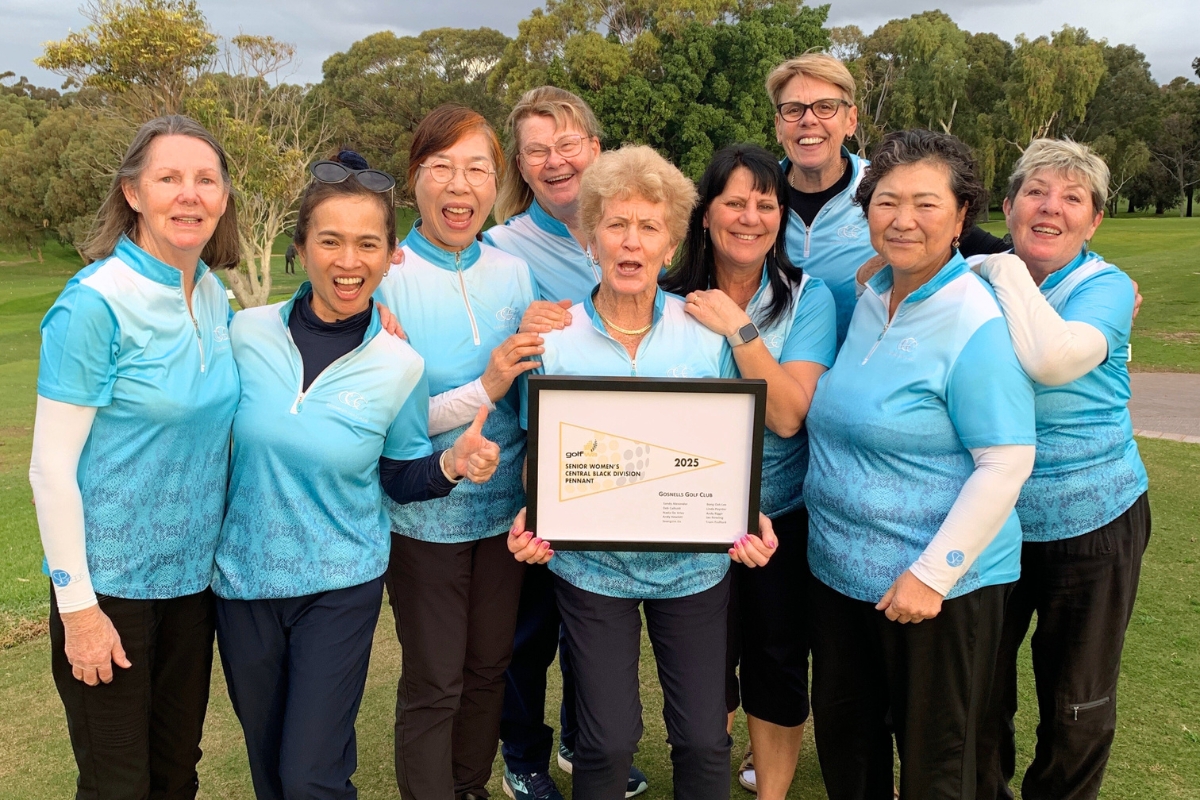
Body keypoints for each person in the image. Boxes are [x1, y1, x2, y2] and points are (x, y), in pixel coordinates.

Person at [211, 151, 501, 799]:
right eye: (331, 242)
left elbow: (399, 475)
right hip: (242, 585)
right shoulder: (245, 334)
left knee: (311, 774)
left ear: (391, 254)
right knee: (268, 770)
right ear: (301, 247)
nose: (349, 262)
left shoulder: (400, 363)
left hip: (339, 589)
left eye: (368, 243)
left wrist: (451, 465)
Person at [507, 144, 780, 800]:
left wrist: (749, 516)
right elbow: (538, 461)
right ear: (590, 236)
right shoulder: (555, 340)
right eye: (617, 224)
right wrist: (533, 514)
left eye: (649, 227)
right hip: (592, 569)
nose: (632, 243)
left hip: (693, 569)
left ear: (671, 241)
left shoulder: (704, 335)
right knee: (603, 743)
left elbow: (728, 451)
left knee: (702, 741)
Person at [802, 129, 1036, 799]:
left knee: (940, 770)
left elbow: (1006, 461)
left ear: (962, 216)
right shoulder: (875, 297)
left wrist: (931, 576)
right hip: (843, 578)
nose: (903, 219)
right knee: (849, 751)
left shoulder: (975, 318)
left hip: (937, 594)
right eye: (886, 201)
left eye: (926, 204)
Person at [28, 115, 241, 799]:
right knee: (119, 785)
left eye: (205, 179)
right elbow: (48, 469)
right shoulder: (94, 304)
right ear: (132, 193)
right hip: (110, 590)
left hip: (191, 587)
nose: (189, 194)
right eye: (168, 178)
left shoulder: (213, 294)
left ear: (224, 197)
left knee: (177, 774)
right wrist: (79, 610)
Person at [485, 85, 650, 800]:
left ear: (596, 148)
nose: (555, 161)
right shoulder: (498, 247)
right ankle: (523, 754)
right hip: (539, 464)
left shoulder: (631, 226)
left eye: (568, 143)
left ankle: (588, 746)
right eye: (536, 150)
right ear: (520, 166)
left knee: (600, 618)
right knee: (531, 629)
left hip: (626, 466)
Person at [973, 139, 1151, 800]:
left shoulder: (1102, 285)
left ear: (1095, 220)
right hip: (992, 520)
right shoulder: (976, 275)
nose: (1051, 208)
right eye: (1036, 193)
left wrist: (1001, 268)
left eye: (1072, 198)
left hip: (1094, 518)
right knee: (979, 689)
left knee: (1077, 699)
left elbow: (1053, 359)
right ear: (1009, 204)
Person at [373, 104, 541, 800]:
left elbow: (532, 398)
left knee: (487, 668)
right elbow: (397, 421)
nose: (459, 184)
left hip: (502, 515)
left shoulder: (512, 272)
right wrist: (488, 383)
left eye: (477, 168)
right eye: (441, 167)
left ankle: (469, 786)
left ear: (495, 183)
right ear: (415, 180)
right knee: (436, 679)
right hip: (423, 518)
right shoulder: (385, 275)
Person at [661, 143, 837, 800]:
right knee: (703, 668)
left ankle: (770, 792)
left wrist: (739, 330)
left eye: (767, 204)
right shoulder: (663, 296)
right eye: (734, 202)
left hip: (780, 515)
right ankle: (707, 774)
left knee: (778, 659)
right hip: (686, 515)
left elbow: (789, 414)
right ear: (704, 214)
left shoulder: (808, 297)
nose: (750, 217)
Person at [766, 53, 1007, 348]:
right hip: (774, 380)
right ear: (779, 126)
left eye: (825, 107)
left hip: (866, 376)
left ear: (850, 120)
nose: (808, 120)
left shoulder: (886, 188)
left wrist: (981, 273)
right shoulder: (755, 197)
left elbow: (990, 251)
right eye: (793, 110)